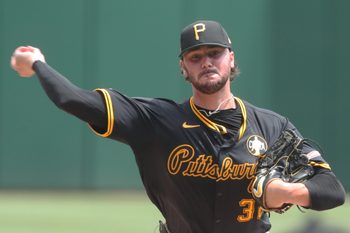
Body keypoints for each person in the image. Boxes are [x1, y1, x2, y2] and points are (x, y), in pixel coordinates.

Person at [11, 20, 345, 233]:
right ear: (183, 68)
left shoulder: (272, 127)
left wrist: (289, 192)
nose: (207, 62)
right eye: (195, 57)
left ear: (231, 58)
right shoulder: (154, 120)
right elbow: (73, 100)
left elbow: (332, 190)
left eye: (214, 53)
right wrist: (38, 63)